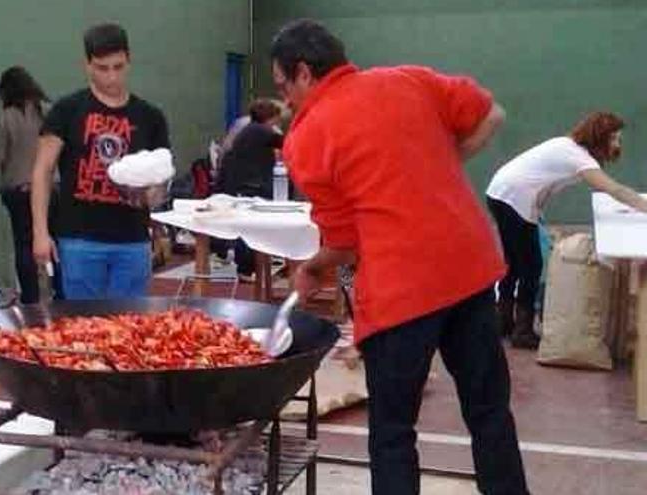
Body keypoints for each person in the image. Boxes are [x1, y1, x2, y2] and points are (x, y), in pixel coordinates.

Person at [272, 20, 529, 494]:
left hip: (402, 293)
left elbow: (346, 243)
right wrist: (441, 166)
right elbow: (492, 113)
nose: (285, 100)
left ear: (304, 73)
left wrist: (310, 269)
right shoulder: (409, 79)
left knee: (392, 434)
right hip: (469, 271)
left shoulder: (307, 139)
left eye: (283, 86)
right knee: (490, 412)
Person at [30, 23, 170, 299]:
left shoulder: (150, 117)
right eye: (102, 68)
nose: (111, 77)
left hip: (132, 239)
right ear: (87, 65)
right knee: (83, 327)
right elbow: (42, 171)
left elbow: (161, 177)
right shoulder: (67, 110)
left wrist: (153, 195)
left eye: (118, 67)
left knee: (131, 327)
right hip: (79, 239)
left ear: (129, 60)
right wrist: (40, 232)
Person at [486, 112, 647, 348]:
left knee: (514, 263)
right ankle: (522, 331)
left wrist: (535, 214)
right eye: (614, 139)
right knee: (532, 267)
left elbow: (543, 182)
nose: (617, 144)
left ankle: (503, 322)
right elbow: (615, 190)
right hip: (513, 199)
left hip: (498, 193)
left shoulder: (567, 145)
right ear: (601, 138)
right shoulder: (579, 159)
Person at [0, 66, 55, 304]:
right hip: (50, 188)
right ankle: (61, 291)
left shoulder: (6, 117)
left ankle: (30, 297)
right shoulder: (49, 111)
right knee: (53, 239)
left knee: (24, 244)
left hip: (17, 189)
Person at [217, 99, 284, 282]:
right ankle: (247, 269)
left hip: (243, 182)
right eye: (277, 118)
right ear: (271, 117)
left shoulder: (247, 130)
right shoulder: (261, 131)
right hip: (252, 185)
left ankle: (250, 268)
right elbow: (288, 143)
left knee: (248, 227)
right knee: (250, 228)